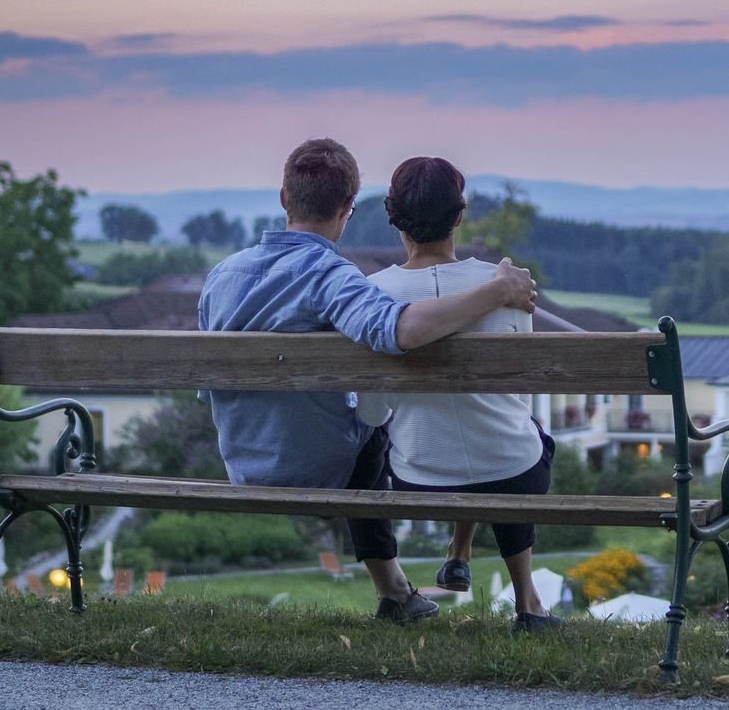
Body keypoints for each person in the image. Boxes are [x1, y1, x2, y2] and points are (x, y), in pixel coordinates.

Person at [198, 138, 536, 623]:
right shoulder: (331, 277)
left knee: (371, 415)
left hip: (245, 463)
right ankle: (394, 592)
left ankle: (399, 590)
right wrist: (497, 290)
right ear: (346, 208)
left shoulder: (222, 275)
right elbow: (402, 331)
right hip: (316, 468)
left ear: (283, 198)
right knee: (374, 427)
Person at [357, 156, 564, 634]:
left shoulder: (372, 295)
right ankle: (528, 605)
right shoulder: (508, 286)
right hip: (513, 471)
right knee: (518, 439)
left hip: (421, 478)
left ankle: (457, 553)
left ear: (393, 217)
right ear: (459, 215)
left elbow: (371, 414)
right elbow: (518, 394)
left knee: (452, 431)